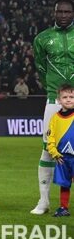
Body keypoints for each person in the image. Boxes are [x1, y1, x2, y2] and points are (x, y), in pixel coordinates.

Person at [32, 0, 74, 215]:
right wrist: (54, 88)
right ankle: (44, 201)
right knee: (48, 150)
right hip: (54, 100)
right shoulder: (43, 38)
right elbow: (40, 67)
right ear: (54, 13)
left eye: (67, 12)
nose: (64, 15)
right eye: (60, 12)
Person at [47, 84, 74, 217]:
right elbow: (50, 138)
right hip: (62, 157)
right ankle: (63, 208)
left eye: (71, 97)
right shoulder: (55, 118)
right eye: (65, 97)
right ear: (59, 100)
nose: (68, 99)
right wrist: (55, 153)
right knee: (64, 184)